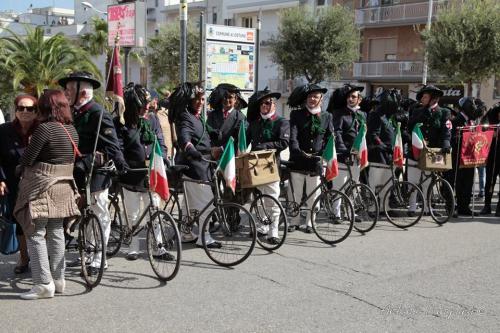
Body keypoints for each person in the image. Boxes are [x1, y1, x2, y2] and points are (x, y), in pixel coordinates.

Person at [14, 90, 80, 299]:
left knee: (35, 232)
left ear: (45, 107)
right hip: (63, 186)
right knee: (57, 231)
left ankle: (43, 283)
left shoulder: (44, 129)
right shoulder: (72, 130)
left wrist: (18, 169)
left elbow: (28, 158)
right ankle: (59, 280)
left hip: (42, 186)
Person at [58, 71, 128, 272]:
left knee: (99, 213)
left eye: (70, 89)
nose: (66, 92)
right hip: (77, 171)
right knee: (84, 215)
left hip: (97, 172)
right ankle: (88, 252)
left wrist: (122, 165)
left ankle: (100, 257)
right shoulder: (71, 113)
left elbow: (113, 145)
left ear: (82, 92)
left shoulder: (98, 113)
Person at [114, 83, 168, 260]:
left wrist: (164, 158)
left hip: (151, 172)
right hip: (131, 174)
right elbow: (119, 148)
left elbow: (160, 141)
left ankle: (158, 246)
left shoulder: (152, 119)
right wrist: (122, 164)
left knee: (154, 209)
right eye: (141, 105)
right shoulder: (121, 123)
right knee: (133, 212)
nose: (146, 107)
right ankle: (134, 245)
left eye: (147, 103)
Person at [172, 82, 221, 248]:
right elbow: (184, 138)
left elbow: (204, 134)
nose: (201, 102)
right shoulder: (185, 117)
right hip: (194, 167)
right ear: (189, 100)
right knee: (206, 202)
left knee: (189, 204)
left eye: (202, 99)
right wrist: (191, 149)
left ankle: (186, 233)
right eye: (197, 99)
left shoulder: (197, 116)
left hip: (202, 165)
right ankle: (204, 236)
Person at [0, 94, 38, 274]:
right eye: (21, 108)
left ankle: (41, 259)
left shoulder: (42, 130)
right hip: (13, 182)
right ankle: (24, 258)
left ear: (36, 112)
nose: (25, 112)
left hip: (38, 183)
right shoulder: (4, 130)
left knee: (39, 221)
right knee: (19, 221)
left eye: (30, 108)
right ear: (15, 111)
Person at [246, 88, 290, 243]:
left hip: (271, 166)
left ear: (274, 105)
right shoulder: (254, 122)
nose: (264, 106)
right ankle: (261, 227)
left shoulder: (281, 122)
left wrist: (265, 146)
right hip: (255, 166)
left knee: (272, 200)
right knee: (257, 199)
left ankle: (273, 231)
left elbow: (283, 142)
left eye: (268, 103)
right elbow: (246, 140)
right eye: (262, 103)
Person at [288, 84, 332, 233]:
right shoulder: (297, 115)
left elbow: (329, 138)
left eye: (316, 96)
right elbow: (293, 136)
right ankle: (294, 221)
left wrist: (325, 156)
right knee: (296, 194)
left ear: (321, 98)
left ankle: (310, 222)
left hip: (316, 161)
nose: (312, 99)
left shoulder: (327, 116)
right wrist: (297, 150)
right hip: (298, 159)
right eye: (310, 96)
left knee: (314, 195)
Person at [407, 85, 451, 214]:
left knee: (428, 182)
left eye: (425, 96)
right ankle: (412, 206)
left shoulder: (444, 112)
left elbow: (445, 131)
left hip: (432, 151)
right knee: (413, 180)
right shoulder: (416, 111)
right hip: (416, 150)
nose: (422, 99)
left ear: (433, 98)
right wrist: (413, 140)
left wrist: (446, 144)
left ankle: (427, 207)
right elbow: (409, 129)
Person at [445, 97, 483, 216]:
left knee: (467, 182)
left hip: (469, 157)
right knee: (454, 182)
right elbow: (450, 137)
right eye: (471, 106)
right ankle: (450, 207)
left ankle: (464, 207)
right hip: (457, 157)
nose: (474, 108)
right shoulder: (456, 120)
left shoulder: (472, 121)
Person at [331, 84, 366, 211]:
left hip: (357, 156)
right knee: (339, 185)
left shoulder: (362, 115)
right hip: (343, 155)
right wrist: (342, 150)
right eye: (348, 97)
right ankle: (336, 212)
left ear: (359, 99)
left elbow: (363, 135)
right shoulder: (339, 113)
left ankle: (350, 212)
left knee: (355, 185)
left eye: (353, 97)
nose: (350, 99)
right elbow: (337, 132)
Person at [367, 89, 400, 202]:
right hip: (378, 155)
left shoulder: (389, 117)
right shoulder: (376, 114)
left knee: (387, 184)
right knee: (375, 183)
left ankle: (385, 207)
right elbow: (373, 134)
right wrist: (382, 146)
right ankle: (372, 208)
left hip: (389, 155)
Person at [207, 83, 247, 151]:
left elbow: (238, 139)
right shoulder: (212, 115)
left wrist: (221, 149)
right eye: (225, 97)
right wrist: (212, 148)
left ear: (235, 99)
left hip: (230, 155)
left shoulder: (241, 118)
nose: (227, 100)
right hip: (212, 153)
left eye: (230, 97)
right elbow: (207, 133)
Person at [481, 103, 500, 216]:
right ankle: (487, 205)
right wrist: (491, 133)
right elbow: (483, 125)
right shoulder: (493, 109)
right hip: (493, 153)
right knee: (489, 180)